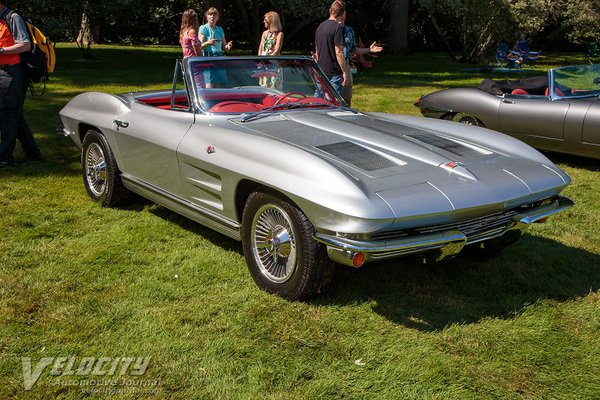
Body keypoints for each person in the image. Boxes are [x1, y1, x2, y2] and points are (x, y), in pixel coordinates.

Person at [0, 0, 40, 168]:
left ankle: (4, 157)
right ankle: (33, 152)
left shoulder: (13, 17)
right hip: (3, 70)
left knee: (8, 114)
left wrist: (2, 51)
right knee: (15, 114)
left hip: (12, 72)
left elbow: (25, 45)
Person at [314, 0, 349, 97]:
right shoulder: (337, 28)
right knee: (335, 103)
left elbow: (317, 51)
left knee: (317, 100)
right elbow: (339, 52)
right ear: (342, 15)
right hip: (333, 72)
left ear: (330, 11)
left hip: (320, 69)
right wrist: (345, 72)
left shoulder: (320, 27)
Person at [342, 23, 383, 106]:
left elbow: (354, 49)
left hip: (343, 67)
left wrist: (369, 49)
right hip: (335, 69)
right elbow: (339, 52)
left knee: (346, 99)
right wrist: (344, 71)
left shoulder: (347, 30)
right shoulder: (328, 29)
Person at [198, 7, 232, 88]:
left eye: (214, 15)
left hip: (219, 58)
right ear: (207, 16)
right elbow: (198, 47)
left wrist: (228, 46)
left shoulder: (219, 29)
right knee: (209, 85)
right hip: (208, 57)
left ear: (218, 17)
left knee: (217, 85)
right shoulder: (204, 28)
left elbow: (225, 48)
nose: (212, 17)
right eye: (210, 14)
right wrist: (207, 42)